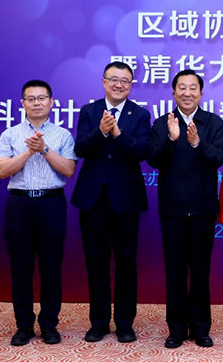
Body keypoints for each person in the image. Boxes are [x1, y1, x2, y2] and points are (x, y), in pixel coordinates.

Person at [71, 61, 151, 343]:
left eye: (125, 80)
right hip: (93, 200)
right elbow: (80, 148)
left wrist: (117, 133)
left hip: (126, 200)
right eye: (114, 79)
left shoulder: (140, 114)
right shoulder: (89, 111)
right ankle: (99, 322)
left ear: (130, 85)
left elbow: (141, 152)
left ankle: (125, 324)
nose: (119, 84)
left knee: (126, 264)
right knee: (96, 263)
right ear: (104, 82)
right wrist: (101, 131)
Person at [147, 69, 223, 348]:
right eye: (182, 87)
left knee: (201, 271)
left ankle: (201, 328)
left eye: (193, 88)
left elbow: (220, 157)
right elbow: (153, 160)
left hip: (203, 208)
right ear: (174, 92)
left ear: (201, 93)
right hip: (172, 209)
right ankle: (177, 329)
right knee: (175, 271)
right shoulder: (162, 123)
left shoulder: (213, 122)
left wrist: (197, 144)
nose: (187, 93)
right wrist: (171, 140)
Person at [0, 80, 77, 346]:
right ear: (23, 104)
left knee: (51, 266)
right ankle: (24, 326)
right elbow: (2, 171)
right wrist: (29, 152)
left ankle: (49, 325)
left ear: (51, 102)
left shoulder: (63, 135)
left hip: (51, 204)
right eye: (30, 99)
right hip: (20, 204)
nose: (36, 103)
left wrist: (44, 149)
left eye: (42, 98)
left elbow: (68, 170)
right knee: (21, 267)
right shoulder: (10, 134)